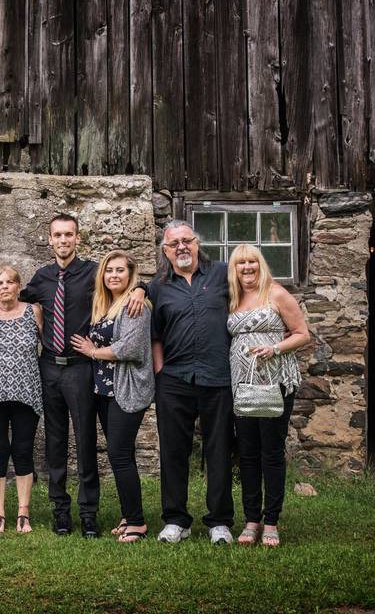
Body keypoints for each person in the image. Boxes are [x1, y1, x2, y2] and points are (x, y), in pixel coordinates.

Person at [0, 214, 145, 537]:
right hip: (49, 369)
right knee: (55, 442)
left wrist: (141, 287)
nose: (63, 240)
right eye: (57, 235)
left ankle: (88, 514)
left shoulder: (92, 273)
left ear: (77, 238)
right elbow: (11, 297)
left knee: (85, 441)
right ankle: (61, 511)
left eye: (69, 234)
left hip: (80, 368)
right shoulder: (42, 278)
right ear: (50, 239)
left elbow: (121, 279)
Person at [149, 219, 235, 544]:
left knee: (219, 449)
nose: (182, 247)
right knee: (173, 451)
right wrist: (160, 372)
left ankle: (219, 522)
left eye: (188, 240)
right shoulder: (158, 286)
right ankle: (176, 520)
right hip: (174, 379)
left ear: (197, 243)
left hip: (218, 377)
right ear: (166, 251)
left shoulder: (222, 274)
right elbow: (155, 334)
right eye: (175, 243)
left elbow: (258, 287)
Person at [227, 244, 310, 547]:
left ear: (260, 264)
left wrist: (274, 348)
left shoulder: (275, 293)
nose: (247, 267)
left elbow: (302, 333)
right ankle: (251, 520)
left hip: (275, 382)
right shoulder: (233, 297)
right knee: (247, 453)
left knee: (271, 452)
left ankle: (271, 521)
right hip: (241, 385)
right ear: (234, 269)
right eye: (240, 263)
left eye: (252, 262)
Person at [69, 250, 154, 543]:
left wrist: (92, 351)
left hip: (125, 389)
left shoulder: (135, 306)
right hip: (105, 390)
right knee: (123, 454)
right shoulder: (107, 306)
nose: (114, 275)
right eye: (109, 270)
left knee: (118, 455)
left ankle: (138, 524)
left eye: (120, 270)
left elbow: (129, 349)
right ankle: (129, 515)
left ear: (131, 275)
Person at [0, 265, 43, 534]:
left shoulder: (33, 312)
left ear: (19, 286)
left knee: (23, 449)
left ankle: (23, 513)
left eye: (9, 282)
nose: (4, 287)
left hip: (26, 392)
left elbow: (48, 343)